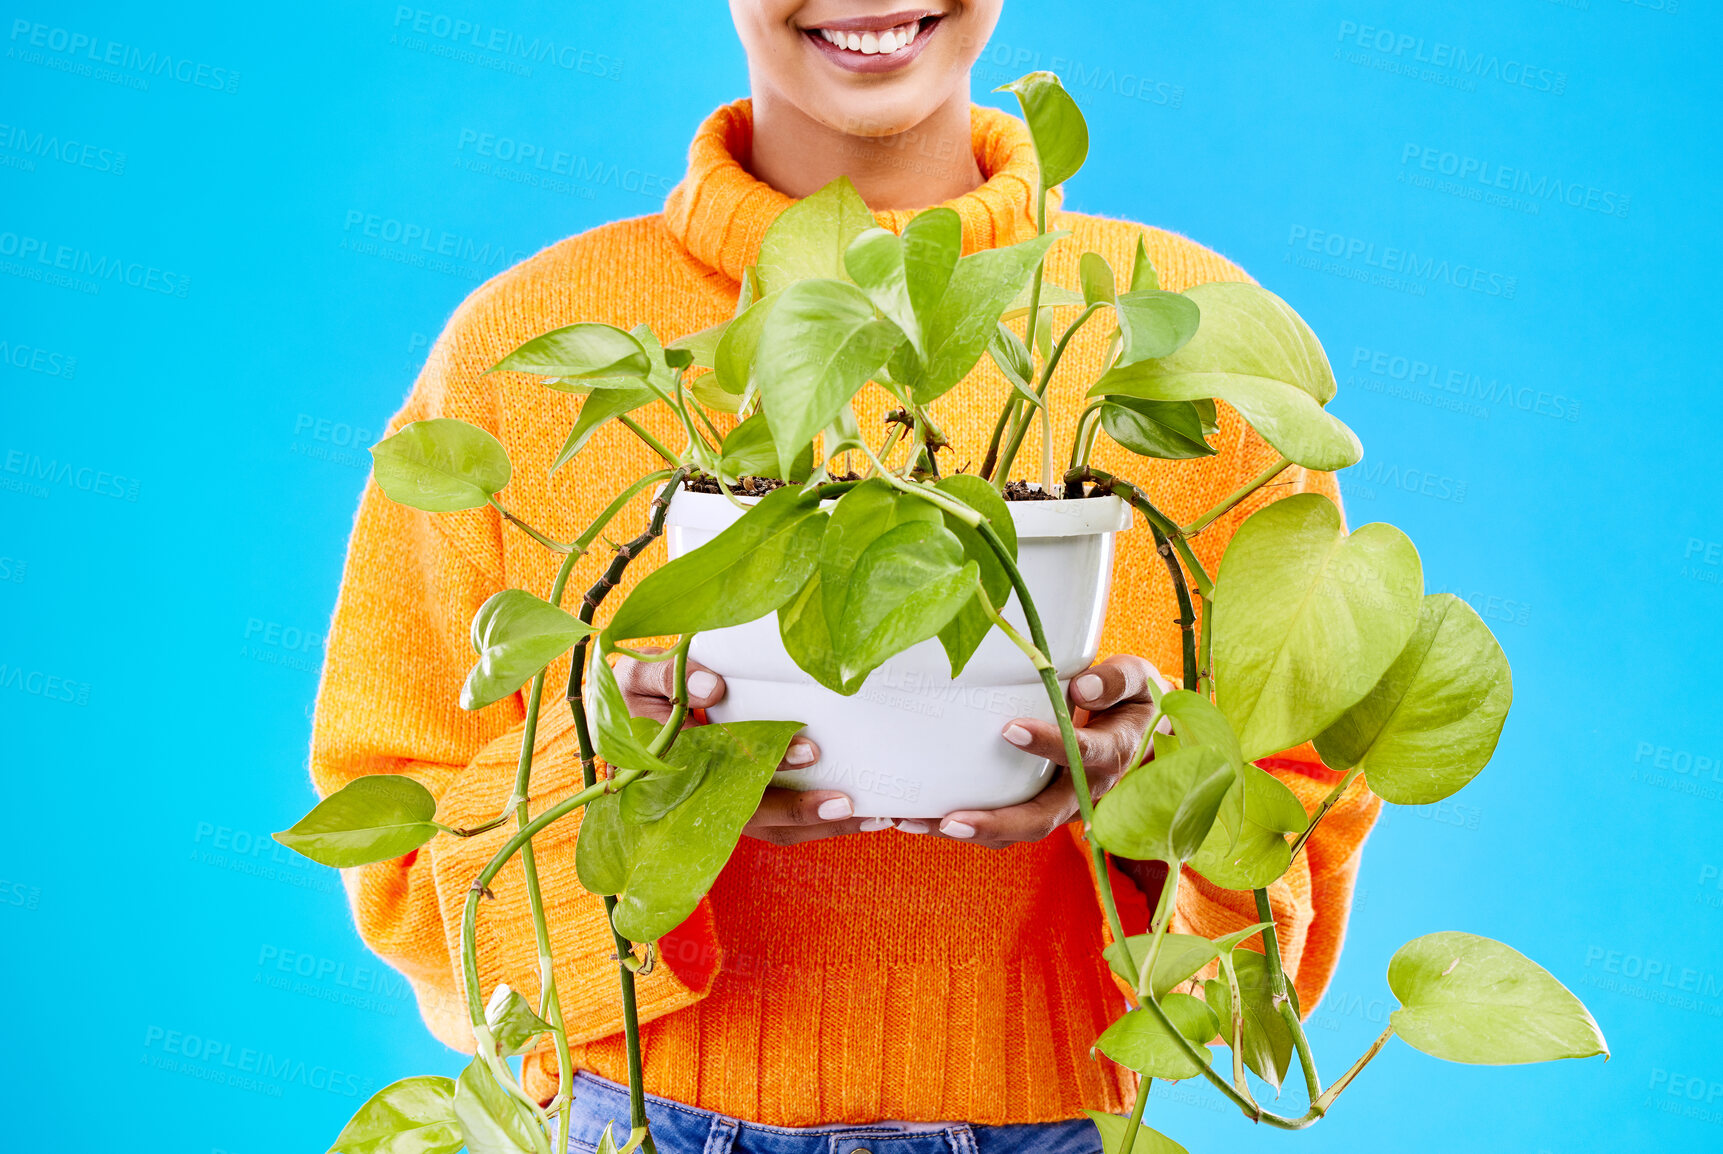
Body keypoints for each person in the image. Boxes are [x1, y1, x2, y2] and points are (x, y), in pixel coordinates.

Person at [308, 2, 1380, 1150]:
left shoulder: (1191, 341)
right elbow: (406, 877)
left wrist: (1164, 798)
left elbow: (1272, 941)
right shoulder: (525, 345)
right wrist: (624, 780)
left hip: (1053, 1123)